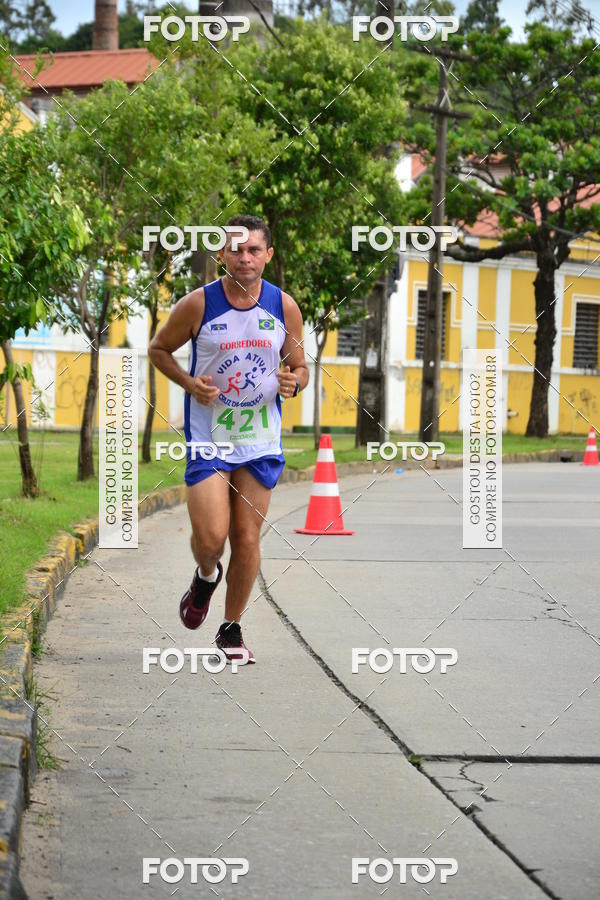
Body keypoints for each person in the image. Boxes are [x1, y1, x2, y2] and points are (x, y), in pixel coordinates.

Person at [149, 215, 309, 664]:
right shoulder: (198, 305)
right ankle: (205, 575)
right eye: (236, 250)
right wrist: (187, 383)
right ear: (221, 254)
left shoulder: (284, 307)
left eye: (254, 250)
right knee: (213, 537)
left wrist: (294, 381)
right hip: (209, 439)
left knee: (248, 537)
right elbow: (158, 350)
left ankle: (230, 629)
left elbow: (300, 367)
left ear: (268, 255)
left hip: (260, 441)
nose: (245, 258)